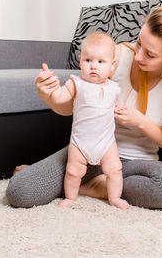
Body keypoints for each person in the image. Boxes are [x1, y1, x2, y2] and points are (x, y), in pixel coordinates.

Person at [6, 6, 162, 209]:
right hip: (89, 150)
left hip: (136, 164)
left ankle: (86, 186)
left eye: (150, 55)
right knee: (20, 191)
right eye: (139, 43)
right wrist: (47, 95)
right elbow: (70, 108)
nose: (138, 56)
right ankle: (86, 180)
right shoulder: (115, 57)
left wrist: (141, 122)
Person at [50, 32, 129, 209]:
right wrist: (53, 89)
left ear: (112, 65)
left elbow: (115, 106)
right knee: (72, 172)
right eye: (88, 60)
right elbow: (61, 97)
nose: (94, 66)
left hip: (106, 143)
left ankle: (114, 197)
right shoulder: (76, 83)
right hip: (80, 143)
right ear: (80, 60)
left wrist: (119, 110)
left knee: (115, 170)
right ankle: (71, 197)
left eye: (101, 62)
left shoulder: (114, 88)